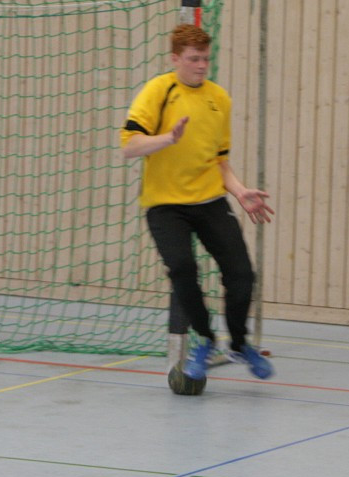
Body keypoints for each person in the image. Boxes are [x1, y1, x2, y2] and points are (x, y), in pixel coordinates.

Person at [120, 24, 273, 382]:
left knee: (241, 274)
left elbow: (219, 161)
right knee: (183, 270)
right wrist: (167, 139)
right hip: (165, 206)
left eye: (205, 58)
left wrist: (240, 191)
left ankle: (238, 344)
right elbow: (129, 147)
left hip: (209, 201)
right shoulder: (158, 92)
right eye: (194, 59)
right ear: (176, 59)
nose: (202, 65)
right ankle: (205, 340)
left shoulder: (219, 99)